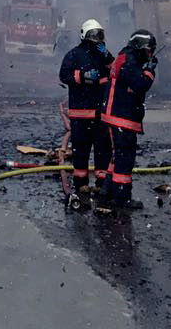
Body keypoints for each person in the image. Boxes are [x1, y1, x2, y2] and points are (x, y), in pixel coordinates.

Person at [57, 19, 113, 211]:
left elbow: (115, 71)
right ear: (85, 35)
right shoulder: (74, 55)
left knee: (103, 148)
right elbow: (64, 75)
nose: (96, 39)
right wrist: (83, 76)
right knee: (81, 148)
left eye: (99, 35)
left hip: (100, 113)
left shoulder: (103, 55)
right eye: (93, 35)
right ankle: (81, 183)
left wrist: (107, 56)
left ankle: (100, 183)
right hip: (81, 112)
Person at [99, 30, 157, 207]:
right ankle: (121, 197)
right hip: (122, 118)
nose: (150, 54)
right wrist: (150, 70)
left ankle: (107, 190)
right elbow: (140, 85)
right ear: (140, 47)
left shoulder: (124, 58)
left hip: (115, 117)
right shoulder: (130, 62)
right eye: (148, 50)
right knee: (125, 158)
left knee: (117, 156)